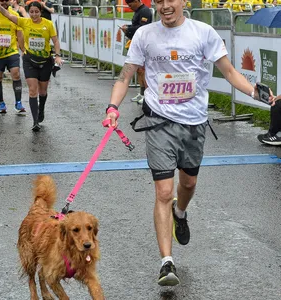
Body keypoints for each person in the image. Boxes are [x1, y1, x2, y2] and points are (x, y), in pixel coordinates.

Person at [103, 0, 270, 287]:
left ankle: (181, 213)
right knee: (163, 192)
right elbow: (125, 75)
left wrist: (256, 92)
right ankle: (166, 262)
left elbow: (229, 72)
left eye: (172, 1)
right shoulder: (144, 35)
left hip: (193, 123)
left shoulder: (203, 32)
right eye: (161, 2)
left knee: (188, 184)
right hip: (158, 123)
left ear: (182, 2)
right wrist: (112, 107)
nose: (166, 6)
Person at [0, 0, 62, 131]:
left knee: (42, 91)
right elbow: (8, 15)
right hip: (29, 60)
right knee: (32, 91)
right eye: (31, 12)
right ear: (28, 12)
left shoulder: (48, 24)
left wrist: (57, 55)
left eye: (36, 12)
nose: (34, 14)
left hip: (45, 61)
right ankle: (35, 121)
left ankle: (41, 109)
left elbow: (55, 40)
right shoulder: (24, 22)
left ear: (40, 12)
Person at [119, 0, 152, 104]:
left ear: (137, 1)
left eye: (131, 4)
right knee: (139, 71)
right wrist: (128, 28)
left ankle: (147, 95)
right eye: (128, 5)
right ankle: (141, 93)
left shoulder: (145, 11)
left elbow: (142, 28)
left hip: (144, 44)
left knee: (143, 71)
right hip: (136, 43)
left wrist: (128, 28)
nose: (130, 6)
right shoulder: (138, 11)